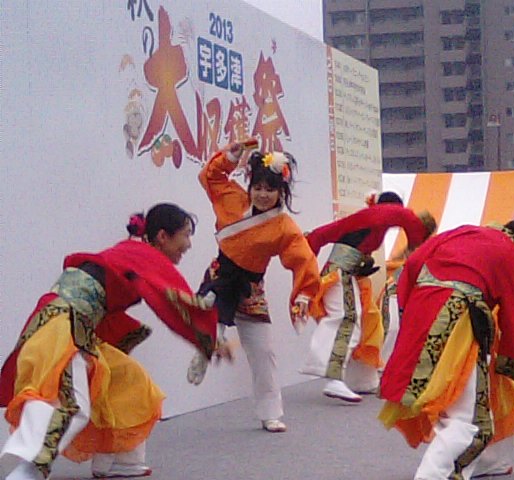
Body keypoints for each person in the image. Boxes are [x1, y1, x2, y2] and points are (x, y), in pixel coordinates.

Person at [0, 203, 218, 480]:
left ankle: (118, 461)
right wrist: (207, 338)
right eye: (185, 235)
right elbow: (172, 298)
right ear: (163, 236)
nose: (187, 244)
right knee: (70, 402)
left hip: (78, 328)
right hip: (62, 326)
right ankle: (27, 470)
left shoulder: (134, 252)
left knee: (129, 379)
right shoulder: (142, 254)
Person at [378, 207, 514, 480]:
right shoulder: (508, 254)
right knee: (466, 419)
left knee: (461, 405)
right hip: (460, 319)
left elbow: (413, 265)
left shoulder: (462, 231)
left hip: (422, 307)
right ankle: (431, 475)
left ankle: (482, 463)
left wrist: (411, 310)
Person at [189, 141, 319, 433]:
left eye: (269, 189)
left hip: (250, 288)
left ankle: (270, 412)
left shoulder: (285, 227)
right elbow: (210, 177)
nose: (262, 194)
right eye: (257, 187)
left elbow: (302, 260)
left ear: (281, 191)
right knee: (210, 319)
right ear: (250, 185)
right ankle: (205, 347)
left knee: (263, 352)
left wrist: (305, 294)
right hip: (221, 276)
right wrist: (230, 157)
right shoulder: (233, 199)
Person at [300, 192, 434, 403]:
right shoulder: (378, 214)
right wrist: (417, 242)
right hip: (340, 273)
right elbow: (406, 218)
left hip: (349, 275)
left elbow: (319, 236)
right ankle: (333, 376)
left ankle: (363, 379)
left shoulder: (368, 221)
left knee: (366, 321)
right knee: (347, 318)